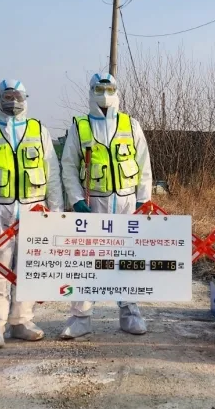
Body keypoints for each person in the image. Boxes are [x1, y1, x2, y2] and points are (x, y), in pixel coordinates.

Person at [0, 79, 63, 349]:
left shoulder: (38, 129)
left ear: (26, 98)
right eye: (7, 96)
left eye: (17, 96)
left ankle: (21, 322)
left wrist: (57, 210)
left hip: (33, 207)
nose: (12, 101)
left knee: (30, 267)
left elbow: (52, 173)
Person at [59, 72, 153, 339]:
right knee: (89, 261)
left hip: (126, 202)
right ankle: (81, 317)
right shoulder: (80, 126)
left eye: (109, 89)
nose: (105, 95)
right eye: (99, 89)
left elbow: (144, 163)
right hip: (93, 202)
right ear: (91, 92)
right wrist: (76, 200)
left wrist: (143, 198)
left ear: (117, 91)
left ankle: (130, 313)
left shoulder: (130, 124)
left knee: (128, 259)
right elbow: (68, 166)